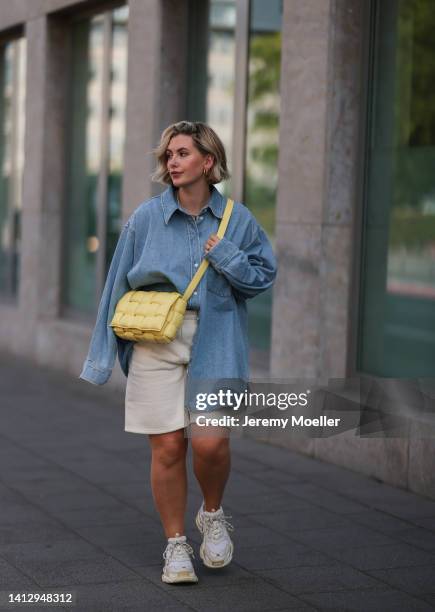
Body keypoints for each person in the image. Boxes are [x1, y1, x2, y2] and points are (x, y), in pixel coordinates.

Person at [79, 121, 277, 584]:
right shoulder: (145, 218)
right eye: (169, 154)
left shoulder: (239, 220)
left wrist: (227, 255)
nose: (172, 160)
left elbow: (262, 278)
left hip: (217, 337)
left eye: (183, 153)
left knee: (210, 443)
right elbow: (114, 287)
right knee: (168, 446)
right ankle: (175, 547)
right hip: (155, 339)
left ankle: (211, 513)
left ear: (208, 162)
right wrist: (100, 359)